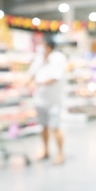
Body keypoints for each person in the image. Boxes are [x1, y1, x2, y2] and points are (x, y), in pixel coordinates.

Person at [27, 37, 68, 165]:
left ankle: (60, 154)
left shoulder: (58, 59)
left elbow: (55, 77)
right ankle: (45, 151)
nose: (40, 47)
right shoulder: (39, 59)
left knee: (55, 127)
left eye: (42, 45)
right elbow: (30, 74)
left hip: (53, 100)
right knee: (43, 126)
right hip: (40, 100)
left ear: (48, 46)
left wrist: (38, 83)